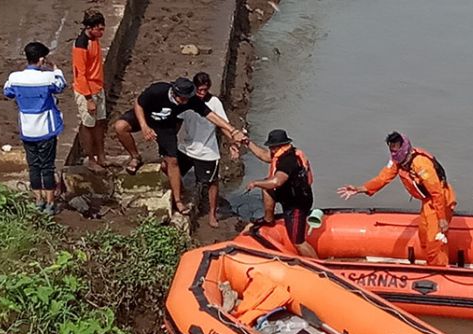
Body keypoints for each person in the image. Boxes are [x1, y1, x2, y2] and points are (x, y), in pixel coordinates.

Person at [114, 77, 246, 214]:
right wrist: (144, 126)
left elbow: (211, 115)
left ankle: (177, 200)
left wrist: (232, 130)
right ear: (174, 94)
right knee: (120, 126)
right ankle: (135, 156)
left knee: (172, 161)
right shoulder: (158, 90)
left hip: (165, 126)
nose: (185, 102)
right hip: (146, 116)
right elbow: (139, 103)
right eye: (182, 99)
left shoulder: (191, 100)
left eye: (187, 99)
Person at [337, 131, 457, 266]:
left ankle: (439, 270)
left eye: (396, 146)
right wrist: (361, 189)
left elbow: (437, 193)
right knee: (424, 236)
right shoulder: (398, 162)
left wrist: (442, 218)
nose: (393, 151)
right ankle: (432, 262)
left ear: (403, 147)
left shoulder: (420, 164)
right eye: (391, 147)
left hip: (439, 200)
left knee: (434, 240)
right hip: (427, 201)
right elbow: (383, 178)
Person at [4, 42, 66, 215]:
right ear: (41, 60)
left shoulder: (15, 77)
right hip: (46, 128)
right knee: (47, 166)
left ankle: (38, 200)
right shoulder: (47, 78)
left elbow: (7, 92)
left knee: (34, 166)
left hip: (27, 128)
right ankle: (50, 202)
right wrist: (56, 69)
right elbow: (60, 85)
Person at [243, 129, 319, 258]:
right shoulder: (284, 153)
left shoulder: (288, 161)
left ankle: (320, 266)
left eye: (272, 147)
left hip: (297, 203)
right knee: (266, 185)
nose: (271, 150)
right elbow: (264, 155)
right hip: (287, 194)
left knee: (298, 241)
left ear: (278, 146)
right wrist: (247, 143)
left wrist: (255, 183)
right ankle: (269, 219)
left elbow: (277, 181)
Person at [176, 72, 232, 227]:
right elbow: (177, 122)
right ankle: (182, 192)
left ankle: (212, 214)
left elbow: (223, 125)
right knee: (168, 167)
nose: (202, 93)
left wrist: (233, 143)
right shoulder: (186, 101)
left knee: (212, 182)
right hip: (187, 147)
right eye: (199, 90)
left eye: (205, 90)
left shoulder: (214, 103)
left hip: (207, 151)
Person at [72, 9, 107, 171]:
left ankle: (101, 156)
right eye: (99, 29)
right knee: (88, 125)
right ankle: (90, 159)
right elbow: (80, 74)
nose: (102, 32)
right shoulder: (81, 44)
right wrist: (88, 99)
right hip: (87, 90)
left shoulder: (94, 39)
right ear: (90, 28)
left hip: (98, 87)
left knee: (100, 123)